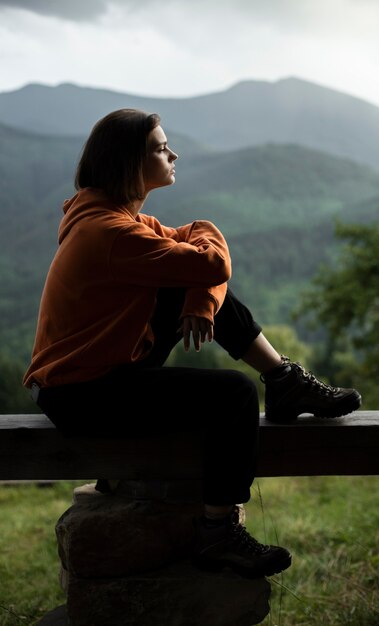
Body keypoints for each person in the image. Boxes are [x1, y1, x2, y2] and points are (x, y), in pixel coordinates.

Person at [23, 108, 361, 580]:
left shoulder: (113, 216)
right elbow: (213, 263)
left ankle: (283, 379)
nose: (173, 153)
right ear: (129, 162)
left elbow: (200, 260)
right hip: (82, 393)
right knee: (235, 395)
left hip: (93, 373)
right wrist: (202, 270)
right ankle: (216, 531)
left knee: (191, 288)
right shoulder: (113, 234)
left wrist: (199, 303)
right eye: (161, 148)